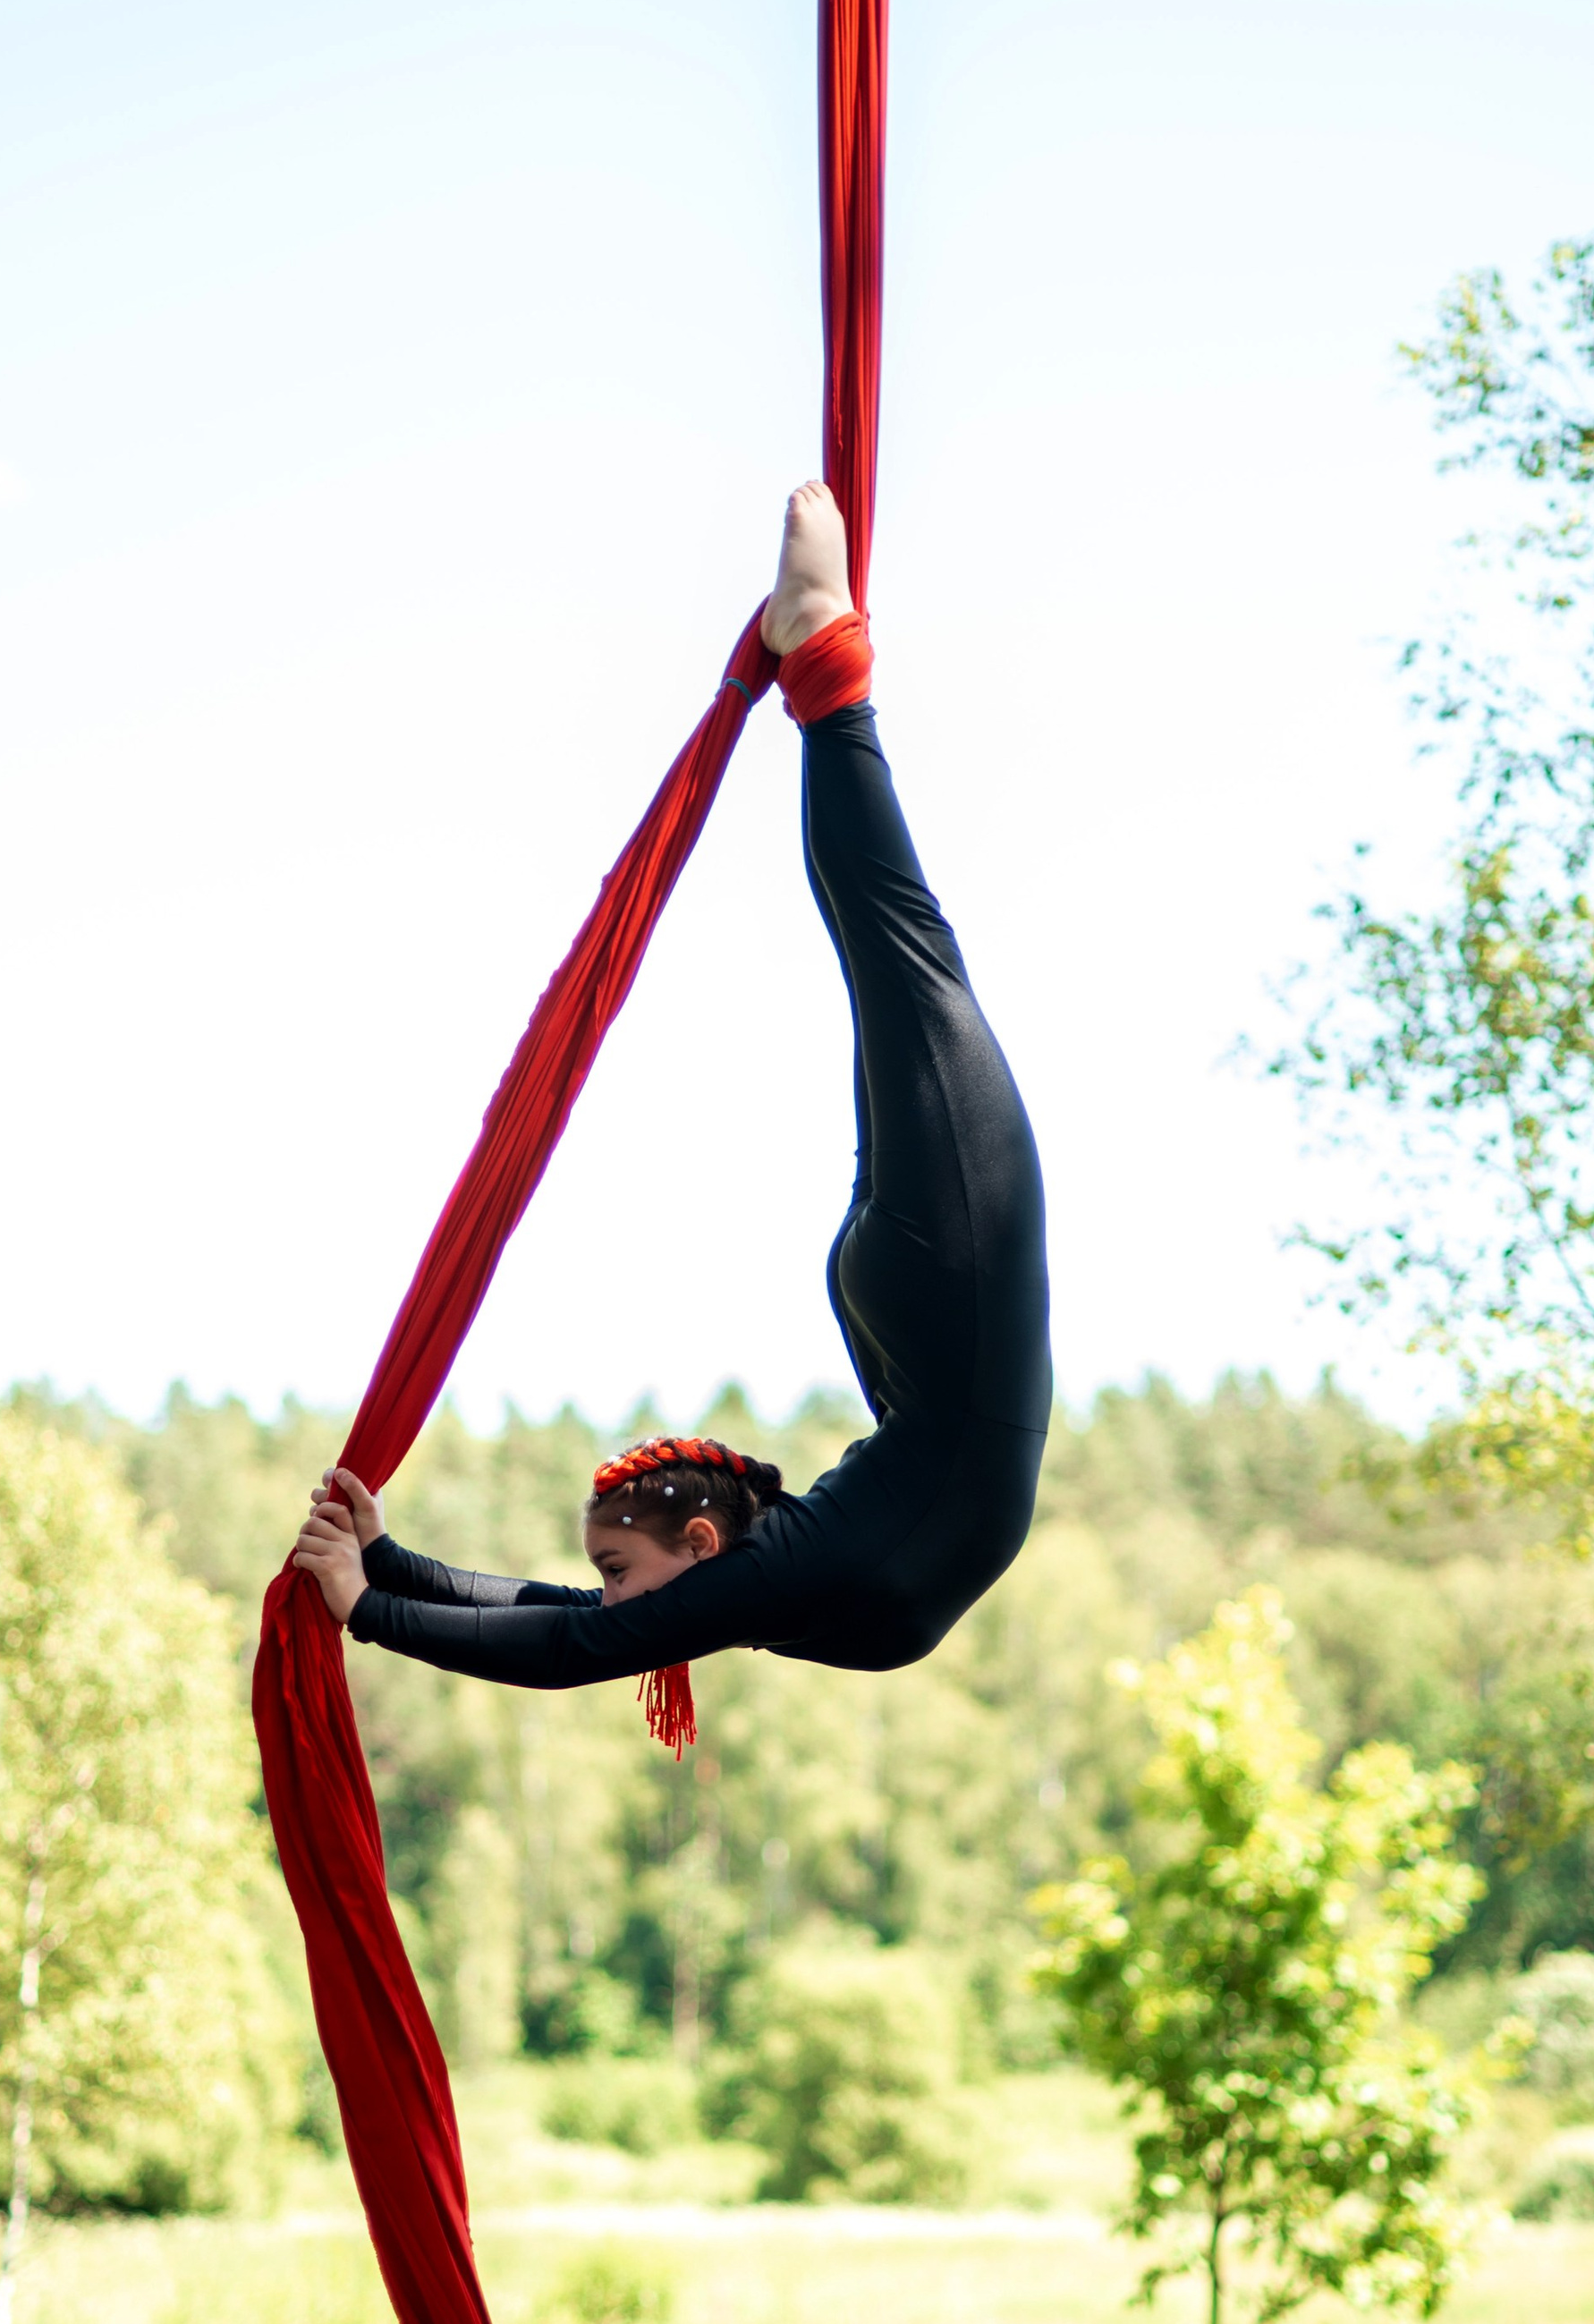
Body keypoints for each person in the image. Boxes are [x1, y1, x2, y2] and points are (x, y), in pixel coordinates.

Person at [289, 480, 1050, 1689]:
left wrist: (380, 1587)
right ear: (701, 1538)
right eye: (617, 1567)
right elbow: (579, 1632)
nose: (609, 1589)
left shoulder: (764, 1575)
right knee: (897, 954)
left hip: (935, 1303)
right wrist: (377, 1592)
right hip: (947, 1281)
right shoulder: (762, 1576)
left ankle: (828, 668)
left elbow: (575, 1631)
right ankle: (826, 666)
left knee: (897, 960)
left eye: (615, 1566)